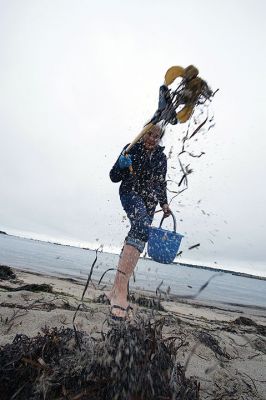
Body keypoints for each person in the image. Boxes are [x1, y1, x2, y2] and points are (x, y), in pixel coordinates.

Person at [108, 124, 171, 320]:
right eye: (150, 134)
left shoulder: (161, 158)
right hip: (130, 193)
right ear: (144, 133)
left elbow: (161, 182)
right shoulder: (132, 147)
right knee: (141, 226)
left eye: (157, 136)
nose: (153, 138)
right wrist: (121, 165)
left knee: (139, 234)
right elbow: (113, 177)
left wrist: (164, 203)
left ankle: (116, 290)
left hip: (150, 201)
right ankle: (119, 293)